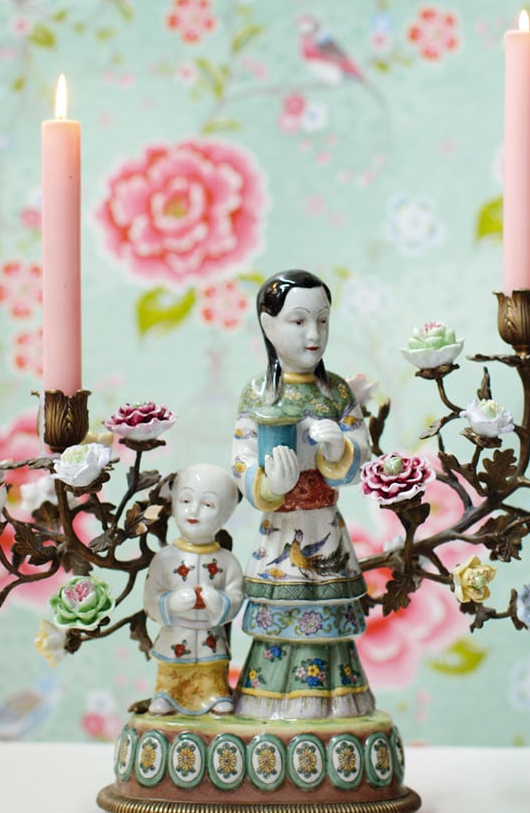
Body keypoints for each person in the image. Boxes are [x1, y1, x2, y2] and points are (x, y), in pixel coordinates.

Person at [230, 270, 375, 720]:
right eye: (299, 321)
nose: (314, 335)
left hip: (323, 524)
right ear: (267, 324)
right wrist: (268, 485)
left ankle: (333, 701)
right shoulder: (259, 392)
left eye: (323, 321)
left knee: (326, 612)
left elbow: (362, 449)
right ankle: (267, 702)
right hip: (282, 526)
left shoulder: (337, 392)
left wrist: (338, 450)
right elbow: (241, 456)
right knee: (280, 611)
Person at [142, 463, 245, 716]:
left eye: (208, 504)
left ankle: (214, 695)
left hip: (210, 636)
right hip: (176, 633)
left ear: (226, 514)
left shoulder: (227, 561)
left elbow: (236, 594)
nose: (194, 510)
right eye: (186, 500)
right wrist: (171, 603)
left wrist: (219, 602)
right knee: (172, 669)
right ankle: (167, 695)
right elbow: (151, 597)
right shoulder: (165, 558)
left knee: (210, 671)